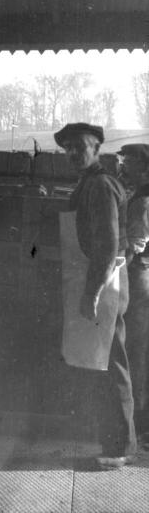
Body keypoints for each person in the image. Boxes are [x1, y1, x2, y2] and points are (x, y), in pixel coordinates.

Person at [54, 122, 137, 469]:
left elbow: (106, 246)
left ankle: (120, 448)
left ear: (98, 147)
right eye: (69, 148)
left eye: (81, 146)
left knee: (110, 364)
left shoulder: (100, 185)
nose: (74, 153)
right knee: (100, 363)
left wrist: (91, 294)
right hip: (96, 283)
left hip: (103, 286)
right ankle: (114, 442)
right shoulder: (88, 182)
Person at [118, 143, 149, 447]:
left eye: (130, 163)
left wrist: (111, 273)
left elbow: (134, 245)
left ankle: (139, 425)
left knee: (136, 351)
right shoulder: (138, 195)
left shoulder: (142, 200)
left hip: (139, 277)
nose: (124, 167)